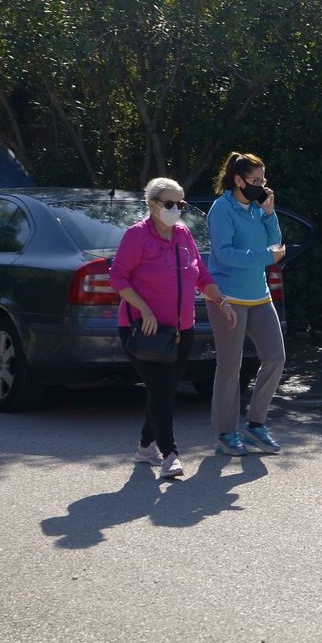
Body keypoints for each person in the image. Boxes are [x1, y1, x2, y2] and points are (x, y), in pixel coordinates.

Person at [109, 177, 236, 480]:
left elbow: (200, 274)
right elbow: (118, 278)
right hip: (144, 328)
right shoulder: (137, 235)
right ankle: (170, 454)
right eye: (170, 203)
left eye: (181, 203)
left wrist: (221, 302)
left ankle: (145, 447)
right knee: (163, 389)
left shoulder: (183, 234)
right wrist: (145, 309)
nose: (176, 209)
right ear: (152, 204)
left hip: (181, 329)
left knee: (162, 390)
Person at [206, 152, 287, 456]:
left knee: (276, 357)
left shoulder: (257, 208)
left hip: (259, 295)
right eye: (255, 180)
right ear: (238, 180)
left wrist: (270, 213)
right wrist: (267, 256)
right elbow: (225, 253)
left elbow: (276, 244)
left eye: (263, 180)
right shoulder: (221, 209)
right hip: (228, 297)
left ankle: (256, 424)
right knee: (230, 366)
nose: (261, 186)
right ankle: (226, 433)